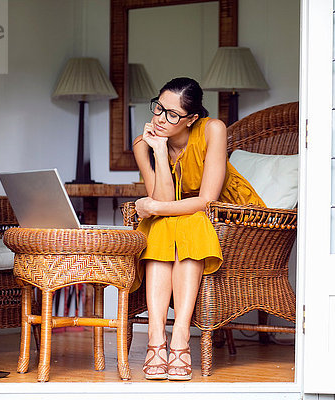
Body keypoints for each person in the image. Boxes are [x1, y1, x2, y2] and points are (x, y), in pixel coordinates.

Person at [131, 77, 265, 381]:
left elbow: (207, 201)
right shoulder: (145, 143)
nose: (160, 120)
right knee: (166, 223)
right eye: (158, 109)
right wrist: (160, 152)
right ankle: (158, 340)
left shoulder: (212, 129)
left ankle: (179, 337)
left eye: (173, 115)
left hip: (230, 217)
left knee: (181, 219)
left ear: (192, 118)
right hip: (180, 221)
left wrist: (152, 207)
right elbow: (164, 199)